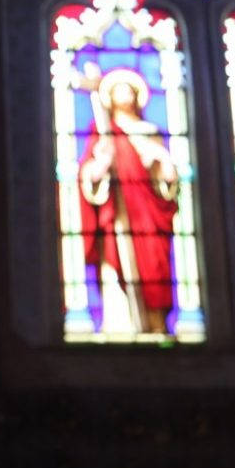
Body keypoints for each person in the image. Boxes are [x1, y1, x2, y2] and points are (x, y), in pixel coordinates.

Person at [78, 75, 178, 334]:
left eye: (129, 90)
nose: (125, 95)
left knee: (155, 267)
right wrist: (101, 165)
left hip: (148, 215)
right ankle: (124, 326)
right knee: (117, 265)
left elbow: (165, 184)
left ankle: (156, 325)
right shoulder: (101, 131)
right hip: (119, 213)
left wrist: (163, 163)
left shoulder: (150, 131)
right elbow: (89, 173)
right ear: (108, 98)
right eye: (118, 90)